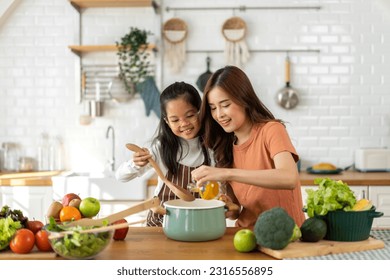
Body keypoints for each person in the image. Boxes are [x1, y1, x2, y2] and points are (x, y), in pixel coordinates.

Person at [191, 65, 305, 228]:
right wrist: (225, 206)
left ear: (243, 99)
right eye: (213, 108)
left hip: (285, 236)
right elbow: (235, 211)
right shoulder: (225, 146)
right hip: (245, 236)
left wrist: (226, 173)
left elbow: (289, 178)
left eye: (225, 105)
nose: (219, 114)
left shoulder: (271, 130)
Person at [115, 82, 213, 227]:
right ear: (167, 121)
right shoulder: (161, 148)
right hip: (161, 225)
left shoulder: (213, 147)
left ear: (201, 111)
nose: (184, 123)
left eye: (190, 115)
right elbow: (121, 177)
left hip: (198, 224)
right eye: (175, 120)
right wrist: (135, 164)